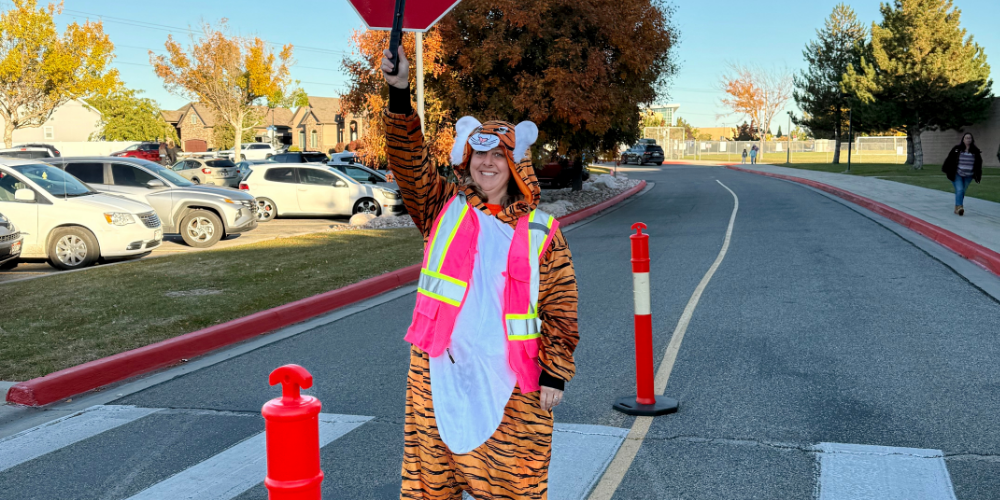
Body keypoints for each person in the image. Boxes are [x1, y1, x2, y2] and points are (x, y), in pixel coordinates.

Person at [382, 46, 579, 500]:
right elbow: (409, 161)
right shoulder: (441, 206)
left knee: (516, 484)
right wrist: (399, 92)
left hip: (513, 378)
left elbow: (561, 307)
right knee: (431, 485)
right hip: (439, 369)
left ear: (516, 165)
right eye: (478, 155)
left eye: (498, 157)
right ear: (467, 159)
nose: (486, 164)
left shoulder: (542, 231)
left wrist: (555, 372)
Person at [941, 132, 983, 216]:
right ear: (963, 140)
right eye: (966, 138)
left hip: (969, 175)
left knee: (962, 191)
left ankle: (957, 208)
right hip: (957, 174)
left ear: (972, 140)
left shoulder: (975, 151)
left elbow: (979, 163)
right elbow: (949, 159)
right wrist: (946, 170)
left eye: (969, 138)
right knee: (960, 190)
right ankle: (959, 207)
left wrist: (978, 175)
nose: (968, 139)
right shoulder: (957, 149)